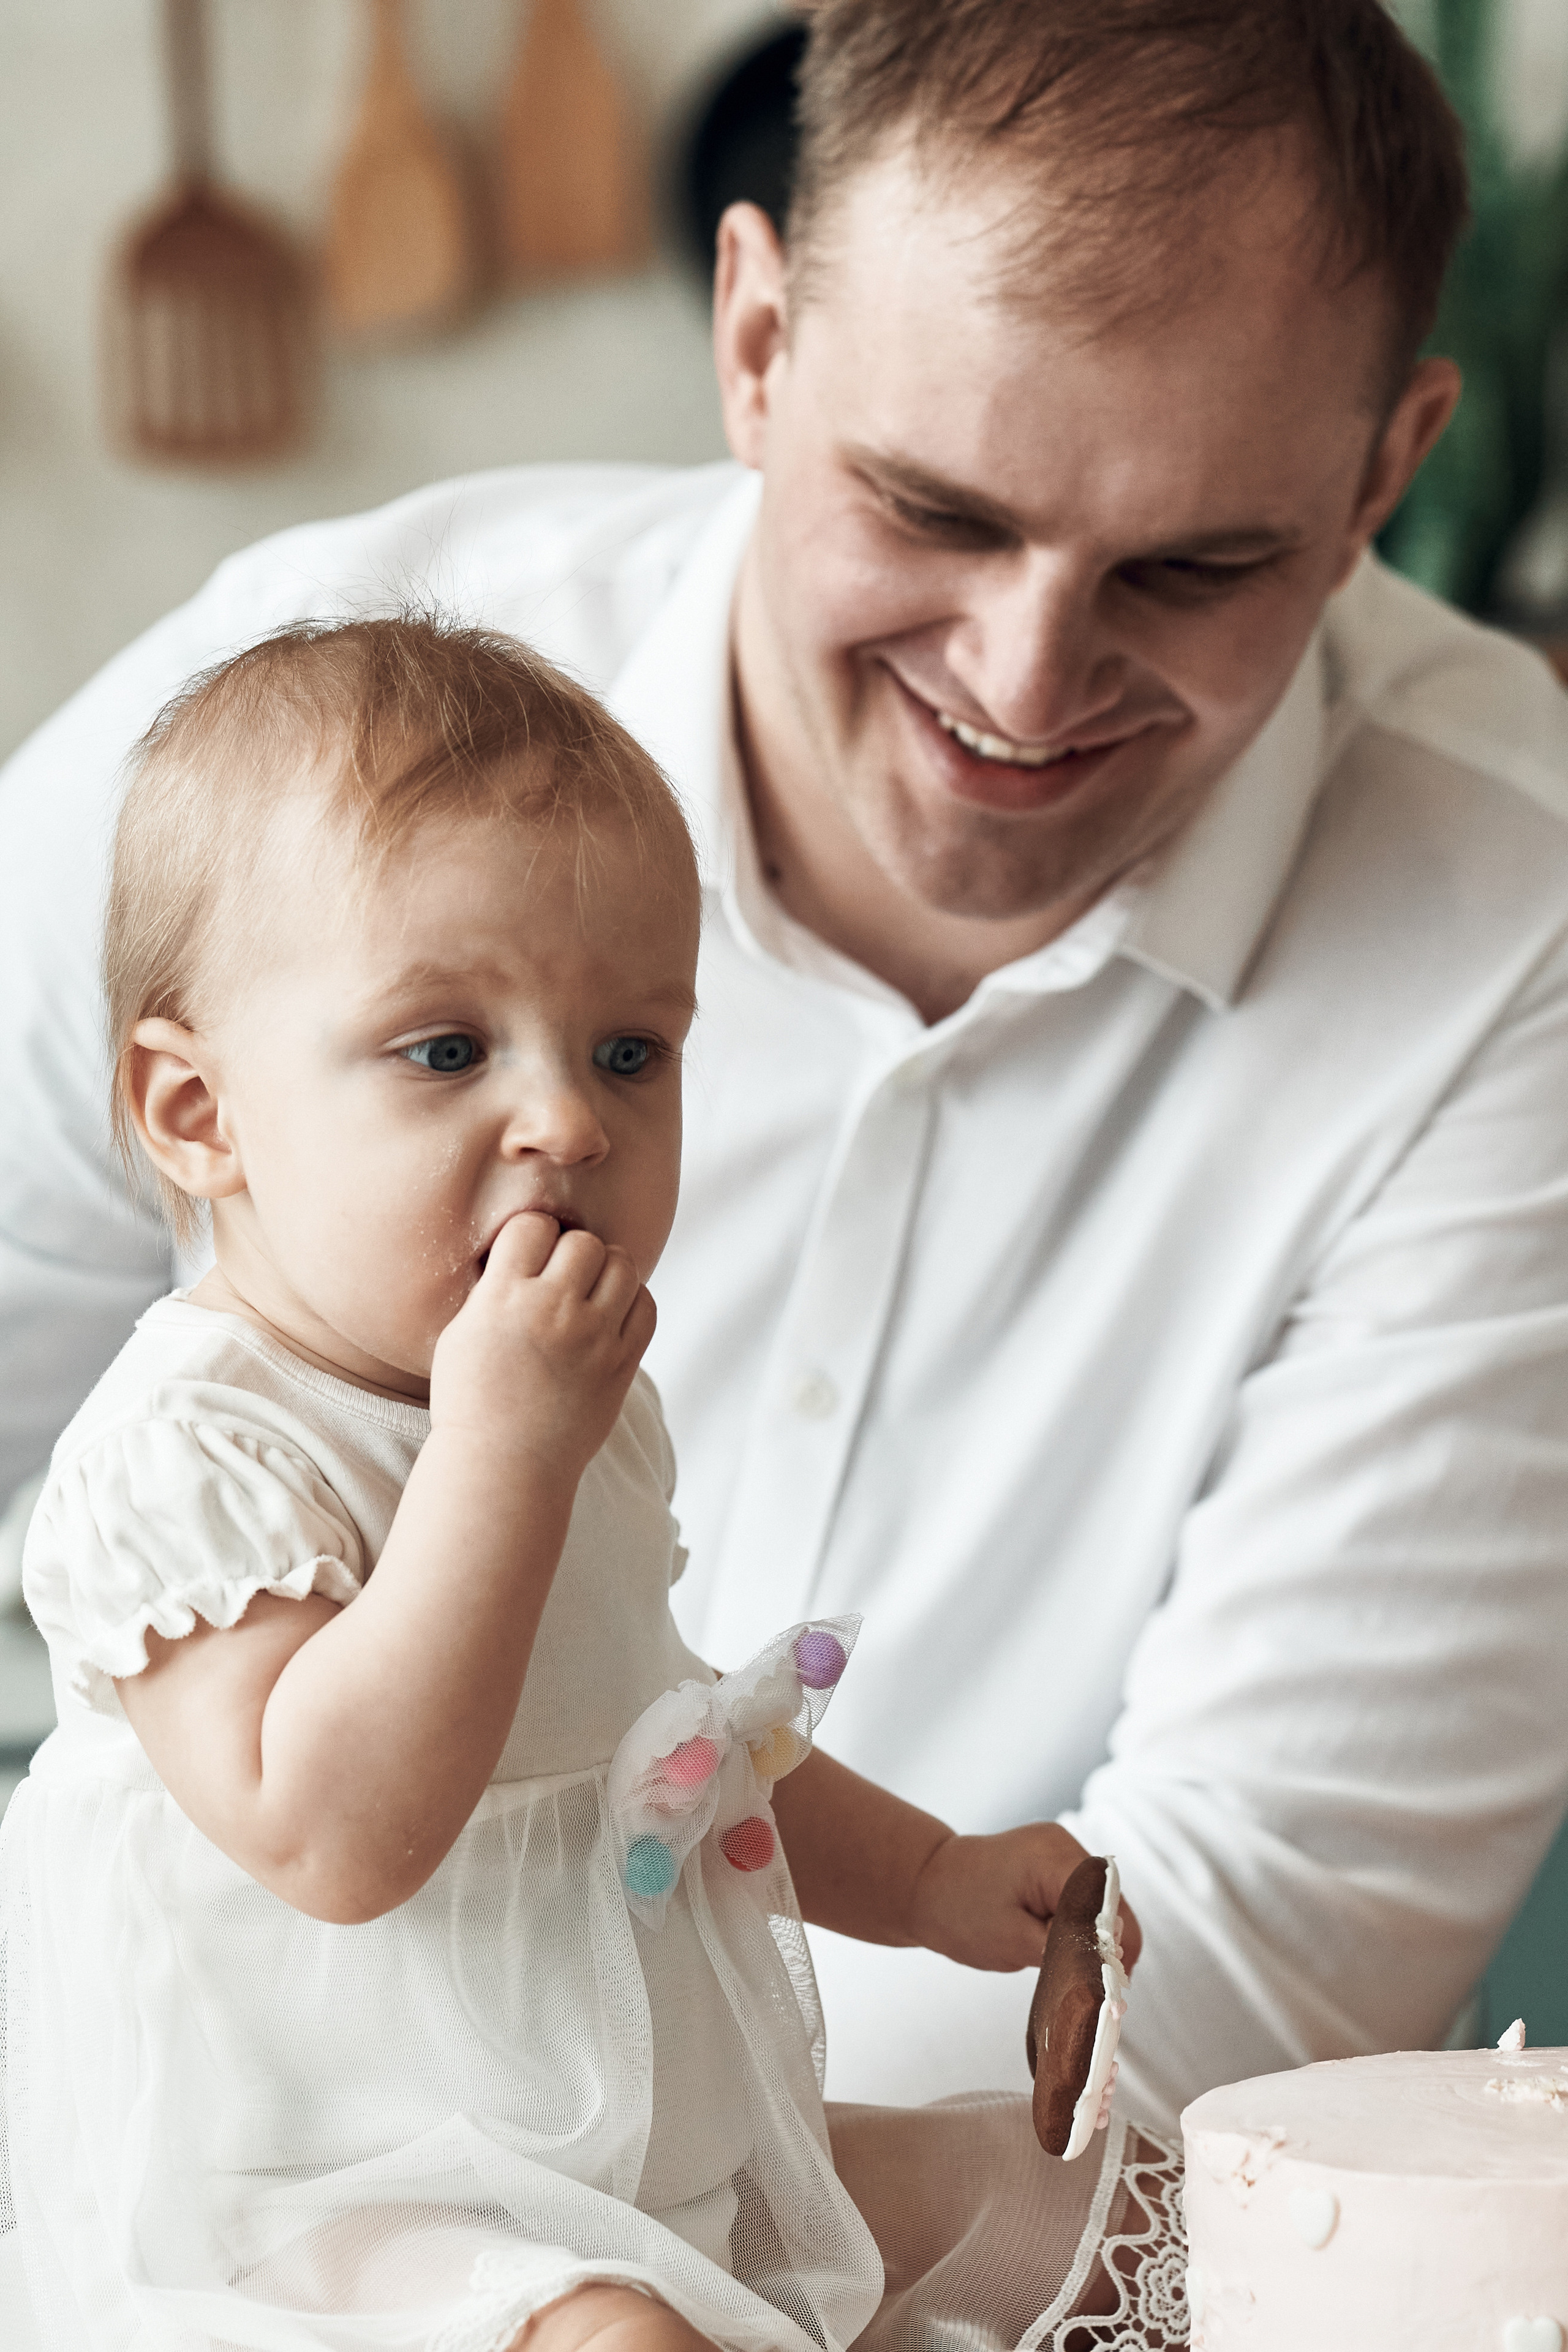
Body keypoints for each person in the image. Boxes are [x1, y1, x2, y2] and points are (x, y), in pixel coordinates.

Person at [4, 0, 1568, 2132]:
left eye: (1195, 565)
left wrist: (661, 2242)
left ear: (1390, 466)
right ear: (754, 341)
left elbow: (1235, 1939)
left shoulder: (1523, 933)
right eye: (933, 510)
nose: (1024, 683)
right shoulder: (265, 746)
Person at [4, 616, 1182, 2352]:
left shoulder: (563, 1408)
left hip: (619, 2137)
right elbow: (339, 1841)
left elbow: (663, 1733)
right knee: (622, 2340)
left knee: (1115, 2210)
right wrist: (498, 1461)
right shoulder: (193, 1463)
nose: (569, 1125)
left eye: (631, 1051)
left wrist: (930, 1877)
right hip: (322, 2195)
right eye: (445, 1052)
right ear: (200, 1116)